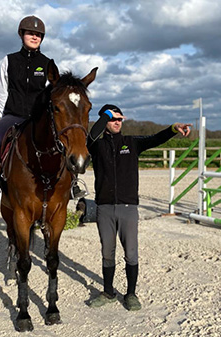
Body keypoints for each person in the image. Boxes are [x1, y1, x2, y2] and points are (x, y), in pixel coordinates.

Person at [87, 104, 192, 310]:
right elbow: (91, 136)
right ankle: (108, 292)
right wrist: (106, 115)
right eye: (113, 119)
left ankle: (131, 294)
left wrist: (173, 128)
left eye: (120, 119)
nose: (118, 122)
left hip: (128, 207)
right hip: (105, 208)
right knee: (107, 253)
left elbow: (155, 139)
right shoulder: (96, 146)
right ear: (104, 121)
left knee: (131, 253)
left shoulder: (131, 143)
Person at [0, 15, 50, 205]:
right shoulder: (8, 60)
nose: (35, 37)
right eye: (31, 33)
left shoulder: (47, 63)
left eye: (38, 35)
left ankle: (73, 183)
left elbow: (50, 95)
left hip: (37, 118)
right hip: (14, 114)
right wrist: (5, 118)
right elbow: (3, 92)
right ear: (22, 34)